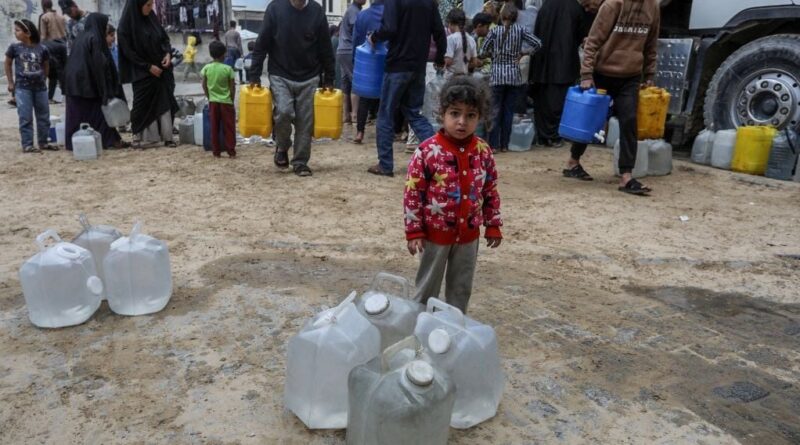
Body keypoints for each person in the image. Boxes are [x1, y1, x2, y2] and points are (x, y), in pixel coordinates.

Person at [404, 76, 502, 313]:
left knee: (460, 290)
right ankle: (417, 334)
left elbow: (490, 190)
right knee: (426, 289)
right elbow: (413, 193)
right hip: (434, 235)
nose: (462, 122)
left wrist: (493, 224)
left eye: (470, 115)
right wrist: (414, 230)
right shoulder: (427, 151)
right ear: (442, 114)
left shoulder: (483, 152)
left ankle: (452, 333)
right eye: (455, 113)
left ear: (480, 117)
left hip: (469, 236)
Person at [564, 0, 660, 196]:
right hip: (603, 73)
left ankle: (626, 176)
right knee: (593, 123)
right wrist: (587, 75)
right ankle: (573, 162)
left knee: (629, 121)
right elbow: (593, 41)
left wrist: (649, 75)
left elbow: (651, 44)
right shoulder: (612, 5)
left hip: (631, 76)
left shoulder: (653, 7)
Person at [247, 0, 335, 177]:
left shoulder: (317, 11)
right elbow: (262, 43)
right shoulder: (275, 9)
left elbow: (325, 47)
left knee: (305, 122)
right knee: (284, 112)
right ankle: (282, 146)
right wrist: (254, 75)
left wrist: (329, 78)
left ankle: (300, 162)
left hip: (309, 76)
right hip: (280, 73)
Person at [367, 0, 447, 177]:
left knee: (385, 115)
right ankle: (440, 157)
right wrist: (440, 57)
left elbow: (389, 28)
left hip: (397, 65)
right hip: (418, 67)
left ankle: (385, 165)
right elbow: (440, 32)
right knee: (414, 113)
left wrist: (373, 37)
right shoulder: (429, 3)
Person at [530, 0, 596, 147]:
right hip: (564, 63)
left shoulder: (545, 7)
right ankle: (555, 136)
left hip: (541, 64)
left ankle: (543, 136)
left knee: (542, 101)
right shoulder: (575, 8)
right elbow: (582, 35)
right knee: (559, 102)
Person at [480, 3, 541, 152]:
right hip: (513, 76)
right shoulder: (520, 30)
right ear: (516, 17)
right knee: (508, 112)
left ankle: (493, 145)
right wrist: (523, 53)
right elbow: (538, 43)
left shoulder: (495, 31)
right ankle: (504, 145)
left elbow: (483, 50)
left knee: (495, 111)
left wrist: (491, 54)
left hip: (497, 76)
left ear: (501, 16)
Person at [118, 0, 179, 148]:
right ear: (138, 5)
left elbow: (164, 39)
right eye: (148, 5)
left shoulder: (152, 18)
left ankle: (166, 136)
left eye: (152, 4)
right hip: (142, 74)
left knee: (164, 102)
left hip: (161, 71)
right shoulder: (126, 27)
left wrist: (167, 54)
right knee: (142, 105)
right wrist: (147, 67)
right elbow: (128, 53)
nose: (151, 8)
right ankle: (141, 138)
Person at [63, 13, 128, 151]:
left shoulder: (81, 36)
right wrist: (105, 90)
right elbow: (99, 66)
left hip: (72, 82)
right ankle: (111, 140)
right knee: (98, 112)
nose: (105, 29)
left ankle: (72, 142)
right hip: (87, 83)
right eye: (104, 26)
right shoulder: (96, 39)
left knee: (75, 114)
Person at [5, 19, 56, 153]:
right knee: (25, 116)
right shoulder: (14, 48)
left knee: (44, 117)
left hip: (40, 88)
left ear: (27, 33)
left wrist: (44, 79)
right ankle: (27, 144)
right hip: (22, 88)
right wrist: (11, 82)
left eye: (18, 30)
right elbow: (8, 63)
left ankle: (43, 142)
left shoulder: (42, 48)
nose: (15, 33)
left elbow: (46, 65)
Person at [351, 0, 385, 144]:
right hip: (385, 58)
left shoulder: (362, 15)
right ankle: (384, 132)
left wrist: (355, 59)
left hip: (366, 58)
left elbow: (356, 40)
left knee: (364, 96)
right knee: (385, 97)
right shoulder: (390, 13)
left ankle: (360, 131)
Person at [201, 41, 237, 158]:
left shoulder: (206, 68)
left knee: (214, 126)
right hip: (226, 102)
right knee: (229, 127)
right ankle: (231, 150)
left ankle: (216, 151)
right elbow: (232, 88)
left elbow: (204, 84)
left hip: (213, 102)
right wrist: (231, 100)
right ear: (224, 54)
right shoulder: (228, 69)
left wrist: (209, 96)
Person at [337, 0, 365, 125]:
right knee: (356, 81)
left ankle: (345, 115)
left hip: (342, 50)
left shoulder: (351, 10)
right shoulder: (354, 11)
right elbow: (356, 30)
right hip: (349, 50)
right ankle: (355, 115)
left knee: (346, 83)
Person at [39, 0, 67, 103]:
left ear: (43, 5)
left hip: (50, 45)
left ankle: (50, 96)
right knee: (63, 70)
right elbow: (65, 33)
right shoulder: (61, 17)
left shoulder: (45, 17)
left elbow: (43, 35)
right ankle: (65, 94)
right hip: (62, 44)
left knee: (52, 74)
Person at [444, 9, 479, 78]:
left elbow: (448, 61)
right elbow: (474, 63)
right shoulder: (471, 39)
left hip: (451, 79)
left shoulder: (451, 39)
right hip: (465, 79)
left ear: (450, 23)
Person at [471, 12, 494, 79]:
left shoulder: (494, 33)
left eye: (475, 29)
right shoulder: (480, 37)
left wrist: (481, 62)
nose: (474, 31)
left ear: (479, 26)